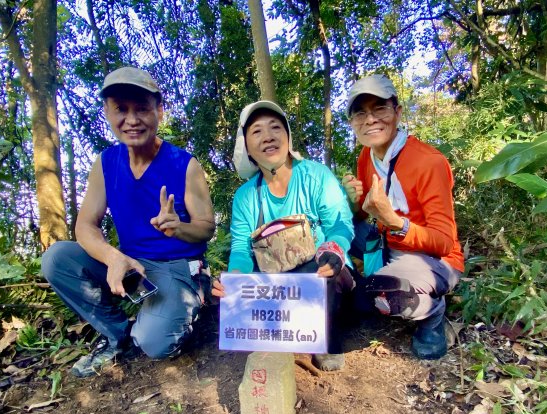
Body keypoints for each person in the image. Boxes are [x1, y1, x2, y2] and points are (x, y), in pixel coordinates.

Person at [41, 67, 215, 377]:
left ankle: (179, 309)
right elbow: (85, 226)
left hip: (176, 266)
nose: (132, 120)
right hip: (132, 263)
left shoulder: (184, 164)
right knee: (58, 258)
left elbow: (206, 227)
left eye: (142, 109)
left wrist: (179, 227)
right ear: (107, 112)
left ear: (159, 111)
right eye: (121, 109)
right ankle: (117, 334)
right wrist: (112, 257)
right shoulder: (106, 163)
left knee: (154, 343)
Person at [211, 100, 355, 371]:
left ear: (288, 137)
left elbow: (340, 224)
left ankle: (328, 342)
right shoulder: (245, 197)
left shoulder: (316, 176)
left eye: (276, 127)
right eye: (257, 131)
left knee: (321, 274)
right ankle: (286, 337)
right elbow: (242, 249)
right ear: (247, 148)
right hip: (277, 280)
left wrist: (335, 249)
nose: (268, 136)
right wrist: (236, 278)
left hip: (323, 270)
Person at [341, 74, 464, 360]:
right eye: (360, 112)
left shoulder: (428, 162)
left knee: (378, 294)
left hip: (433, 260)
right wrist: (352, 201)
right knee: (333, 229)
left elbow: (445, 243)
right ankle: (372, 287)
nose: (370, 119)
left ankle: (432, 317)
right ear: (352, 123)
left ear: (397, 112)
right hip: (386, 246)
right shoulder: (366, 157)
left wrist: (395, 221)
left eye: (379, 108)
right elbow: (361, 215)